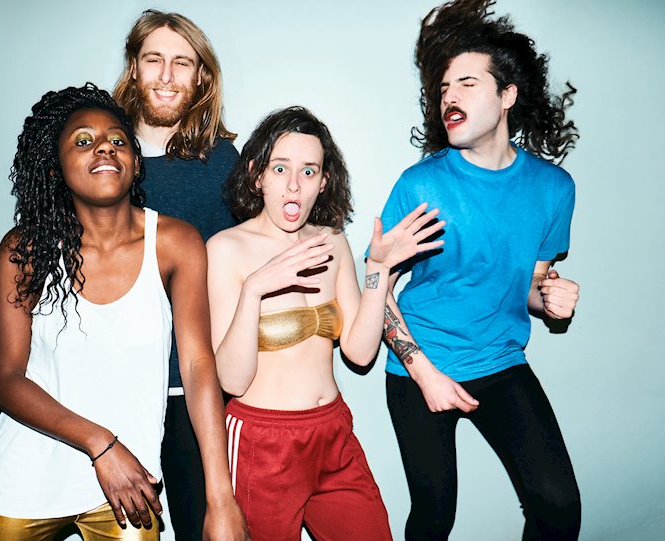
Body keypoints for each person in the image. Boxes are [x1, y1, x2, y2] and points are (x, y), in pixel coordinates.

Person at [0, 83, 244, 540]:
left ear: (136, 162)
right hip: (24, 481)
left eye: (118, 140)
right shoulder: (25, 251)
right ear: (56, 168)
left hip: (130, 491)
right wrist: (101, 445)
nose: (104, 147)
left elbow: (199, 367)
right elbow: (4, 379)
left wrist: (221, 498)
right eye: (83, 140)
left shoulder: (176, 243)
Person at [379, 1, 582, 539]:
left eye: (467, 84)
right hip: (421, 362)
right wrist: (425, 373)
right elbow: (377, 291)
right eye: (444, 88)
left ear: (507, 95)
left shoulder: (554, 189)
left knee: (558, 504)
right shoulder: (421, 185)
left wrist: (549, 297)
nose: (450, 97)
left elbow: (531, 284)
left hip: (499, 359)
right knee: (434, 515)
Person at [207, 106, 446, 541]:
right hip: (263, 440)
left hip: (332, 431)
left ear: (324, 181)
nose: (294, 185)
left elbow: (360, 351)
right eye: (280, 168)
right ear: (257, 175)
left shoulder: (332, 241)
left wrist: (379, 270)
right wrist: (255, 289)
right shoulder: (226, 248)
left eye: (308, 171)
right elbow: (231, 380)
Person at [113, 12, 242, 539]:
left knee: (202, 526)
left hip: (191, 390)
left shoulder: (223, 162)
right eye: (154, 60)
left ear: (200, 75)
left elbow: (250, 261)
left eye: (182, 63)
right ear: (134, 67)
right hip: (109, 388)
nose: (167, 76)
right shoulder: (101, 156)